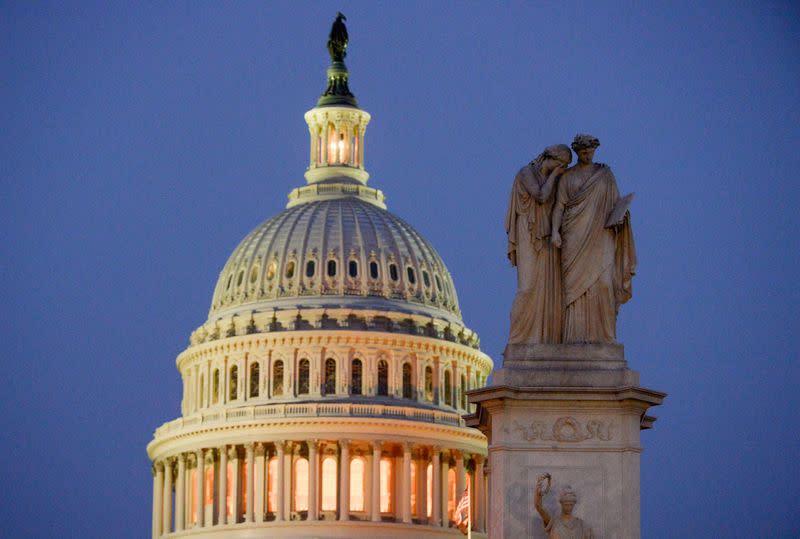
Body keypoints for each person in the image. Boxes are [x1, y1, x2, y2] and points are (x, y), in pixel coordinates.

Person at [551, 134, 636, 344]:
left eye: (590, 151)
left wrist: (622, 217)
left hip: (601, 236)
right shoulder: (568, 178)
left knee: (604, 285)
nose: (587, 154)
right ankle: (573, 339)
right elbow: (559, 206)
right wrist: (554, 231)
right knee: (573, 292)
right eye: (583, 151)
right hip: (573, 237)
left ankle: (604, 338)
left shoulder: (605, 175)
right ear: (577, 152)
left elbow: (616, 204)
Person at [505, 144, 572, 344]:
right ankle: (518, 338)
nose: (563, 170)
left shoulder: (557, 181)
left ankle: (541, 338)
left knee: (546, 289)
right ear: (550, 158)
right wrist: (555, 175)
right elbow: (541, 196)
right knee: (526, 287)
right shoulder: (526, 173)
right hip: (528, 230)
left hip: (544, 236)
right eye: (562, 165)